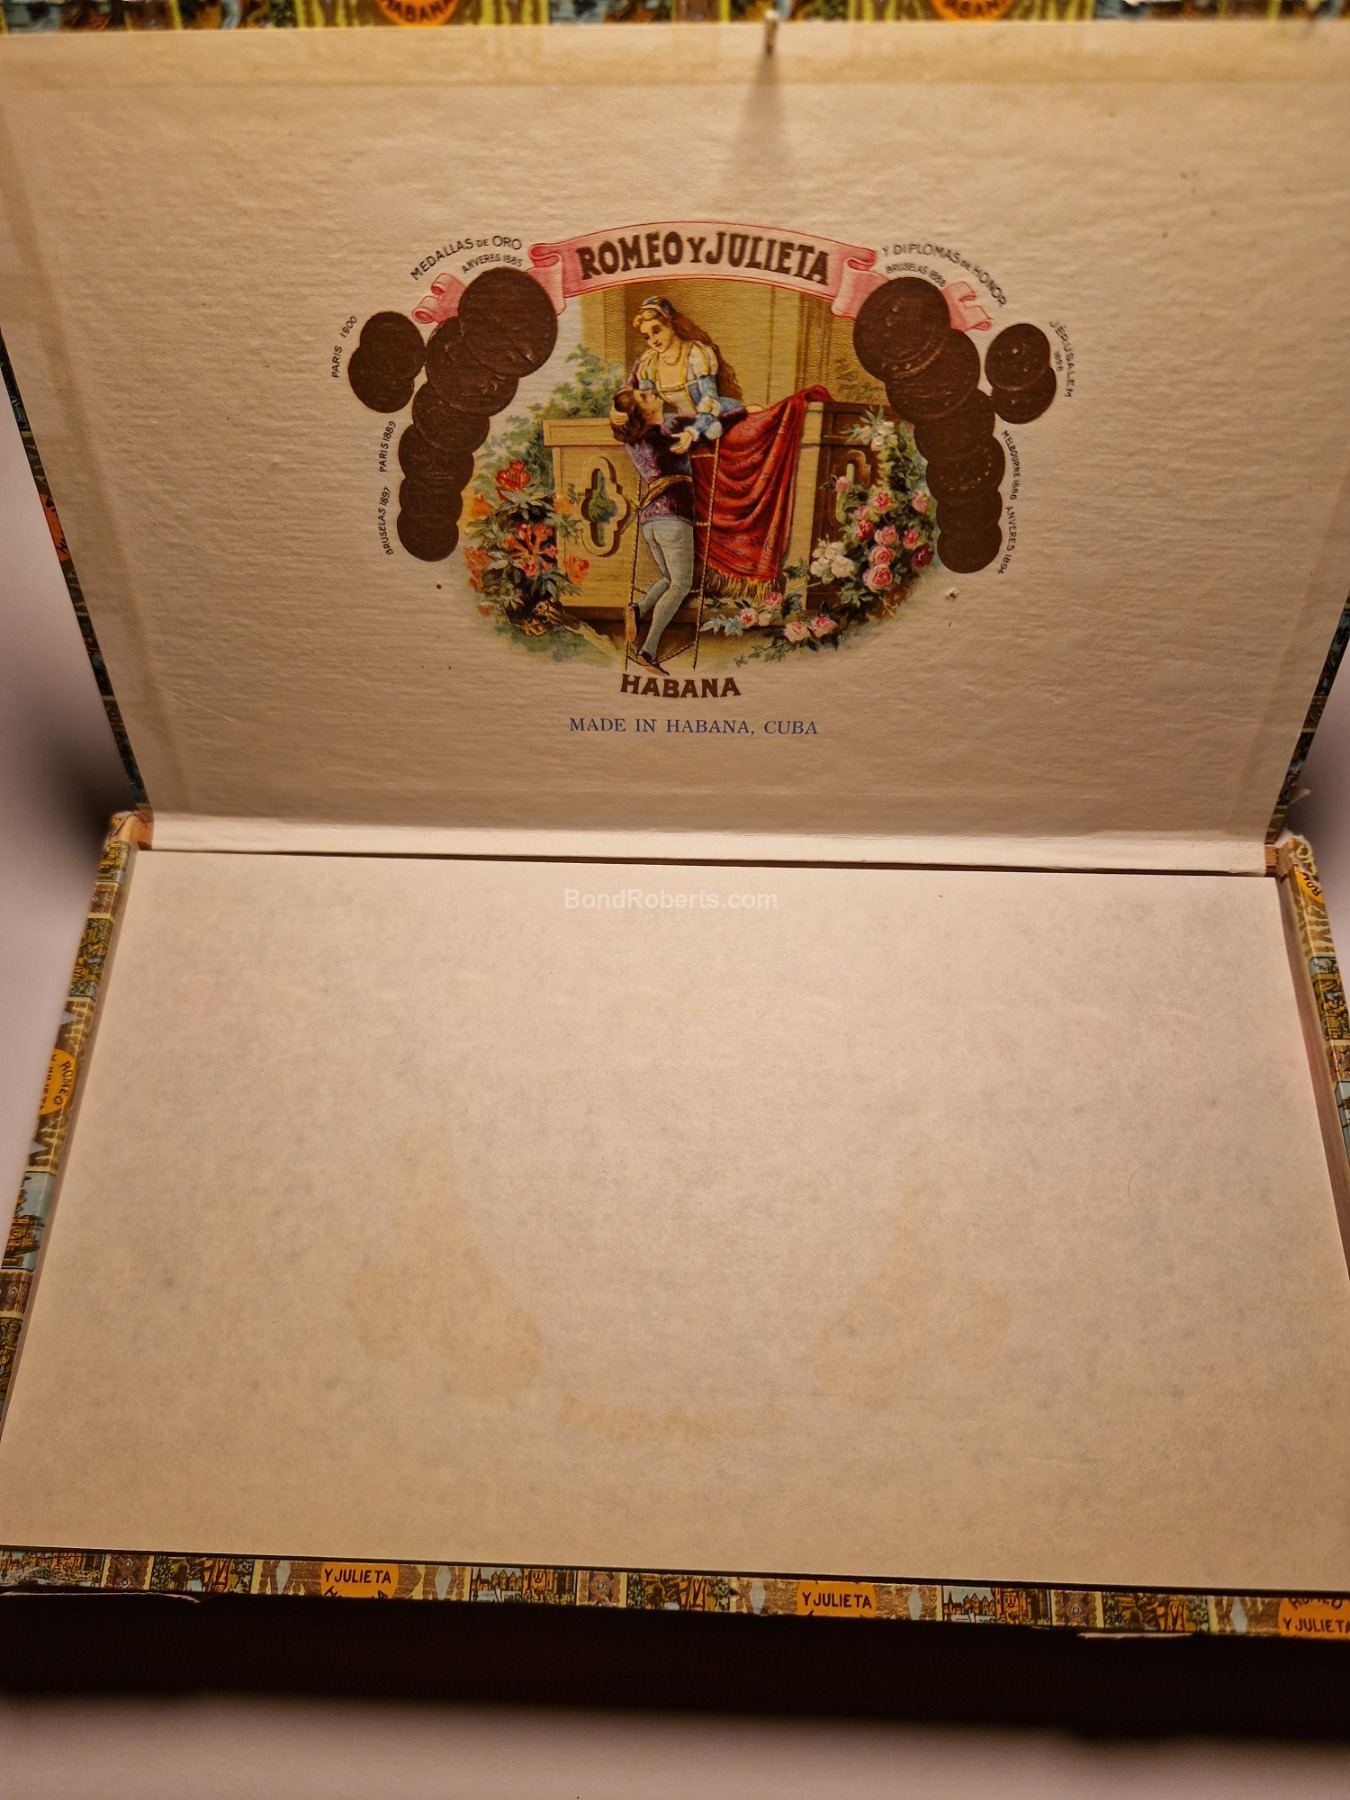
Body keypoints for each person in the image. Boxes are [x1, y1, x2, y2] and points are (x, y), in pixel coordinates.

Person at [609, 386, 701, 671]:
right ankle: (648, 652)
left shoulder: (634, 440)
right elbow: (701, 423)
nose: (650, 392)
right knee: (681, 584)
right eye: (645, 397)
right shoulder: (666, 434)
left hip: (651, 519)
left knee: (668, 577)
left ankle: (638, 608)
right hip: (673, 516)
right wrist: (692, 432)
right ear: (645, 413)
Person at [629, 297, 747, 447]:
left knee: (713, 429)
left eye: (656, 331)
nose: (653, 340)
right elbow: (646, 405)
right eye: (647, 337)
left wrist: (693, 432)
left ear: (670, 325)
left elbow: (710, 402)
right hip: (685, 418)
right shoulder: (649, 362)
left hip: (714, 411)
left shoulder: (696, 354)